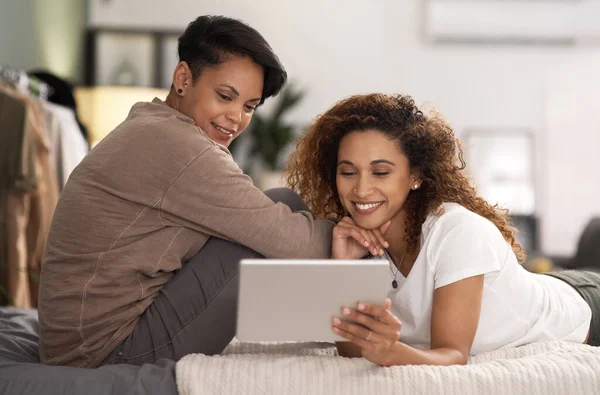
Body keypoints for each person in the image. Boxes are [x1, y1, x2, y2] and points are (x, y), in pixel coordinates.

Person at [37, 15, 387, 369]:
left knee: (281, 203)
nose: (236, 118)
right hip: (103, 352)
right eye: (225, 96)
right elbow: (297, 243)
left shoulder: (152, 125)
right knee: (264, 237)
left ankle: (338, 324)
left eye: (249, 106)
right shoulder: (181, 148)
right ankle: (367, 318)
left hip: (83, 339)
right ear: (183, 79)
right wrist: (365, 229)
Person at [286, 93, 599, 366]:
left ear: (416, 176)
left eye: (381, 172)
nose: (361, 189)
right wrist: (343, 267)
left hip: (584, 310)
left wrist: (392, 352)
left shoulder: (457, 232)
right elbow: (352, 350)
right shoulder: (357, 241)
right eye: (348, 172)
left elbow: (451, 355)